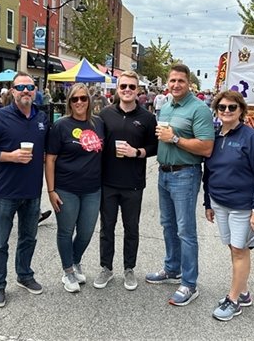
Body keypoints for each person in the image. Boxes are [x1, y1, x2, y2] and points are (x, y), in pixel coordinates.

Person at [0, 72, 48, 308]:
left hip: (32, 191)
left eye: (30, 86)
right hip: (5, 192)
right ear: (13, 91)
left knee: (29, 238)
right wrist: (10, 156)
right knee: (0, 242)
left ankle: (25, 275)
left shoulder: (42, 118)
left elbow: (52, 152)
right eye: (21, 87)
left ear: (35, 90)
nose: (26, 91)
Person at [145, 64, 214, 306]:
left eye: (180, 81)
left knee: (185, 230)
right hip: (164, 174)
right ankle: (172, 269)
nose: (176, 85)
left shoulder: (199, 109)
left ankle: (190, 283)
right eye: (172, 80)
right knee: (168, 225)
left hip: (185, 174)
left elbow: (206, 147)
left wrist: (174, 138)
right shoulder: (165, 107)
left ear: (189, 84)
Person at [203, 90, 254, 321]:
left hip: (242, 206)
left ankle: (233, 300)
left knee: (240, 251)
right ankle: (243, 292)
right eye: (222, 107)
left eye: (232, 107)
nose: (226, 111)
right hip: (219, 203)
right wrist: (207, 203)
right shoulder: (215, 135)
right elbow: (208, 172)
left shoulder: (252, 138)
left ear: (241, 110)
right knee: (233, 248)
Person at [94, 71, 158, 291]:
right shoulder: (104, 114)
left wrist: (137, 152)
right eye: (124, 87)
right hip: (108, 181)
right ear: (117, 89)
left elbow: (154, 147)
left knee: (131, 228)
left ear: (138, 90)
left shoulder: (147, 118)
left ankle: (129, 268)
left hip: (133, 183)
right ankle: (106, 268)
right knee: (106, 228)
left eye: (132, 87)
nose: (128, 90)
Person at [45, 83, 104, 293]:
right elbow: (50, 159)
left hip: (93, 189)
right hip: (66, 188)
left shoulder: (98, 124)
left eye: (83, 98)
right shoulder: (60, 125)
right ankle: (68, 271)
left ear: (89, 101)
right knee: (66, 231)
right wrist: (51, 191)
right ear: (69, 102)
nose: (79, 102)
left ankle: (75, 260)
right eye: (74, 99)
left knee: (86, 232)